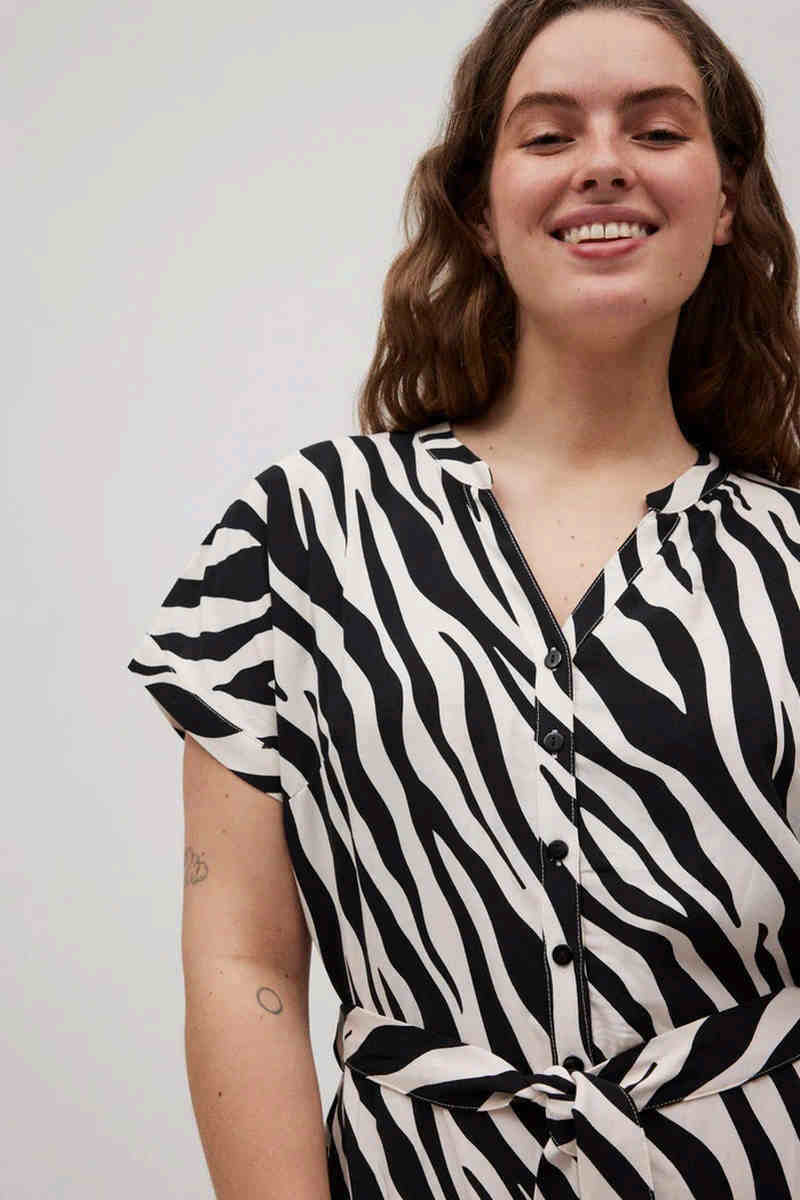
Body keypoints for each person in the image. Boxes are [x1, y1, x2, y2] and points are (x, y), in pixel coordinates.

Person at [127, 0, 800, 1196]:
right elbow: (244, 960)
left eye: (655, 131)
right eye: (547, 135)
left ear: (725, 199)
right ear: (479, 211)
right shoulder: (300, 537)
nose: (602, 163)